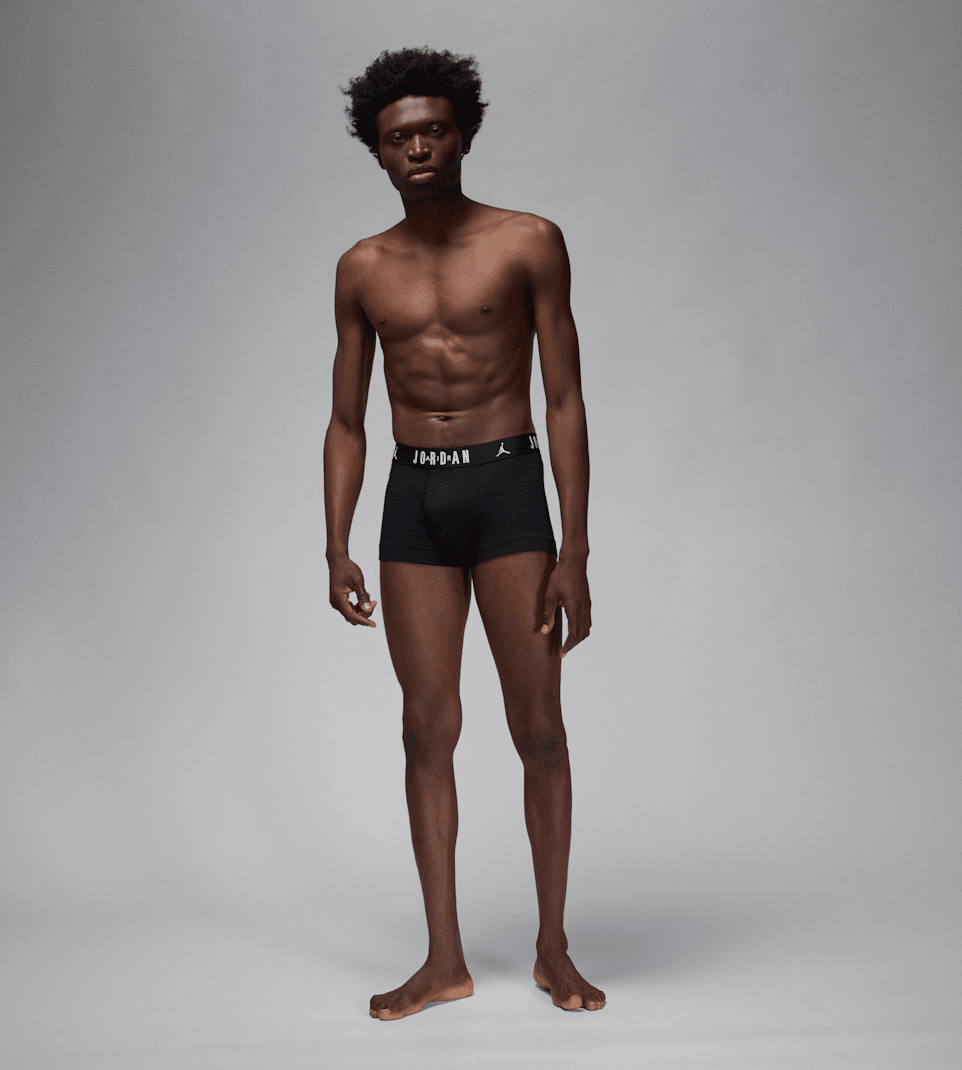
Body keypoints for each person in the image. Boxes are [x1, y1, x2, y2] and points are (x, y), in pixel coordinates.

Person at [324, 47, 604, 1021]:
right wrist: (335, 543)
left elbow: (564, 399)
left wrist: (575, 548)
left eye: (434, 130)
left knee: (539, 729)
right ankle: (443, 958)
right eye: (399, 137)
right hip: (414, 500)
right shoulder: (362, 268)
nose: (418, 149)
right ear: (377, 150)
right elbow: (347, 420)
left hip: (507, 490)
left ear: (463, 135)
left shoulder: (528, 241)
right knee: (424, 728)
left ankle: (552, 948)